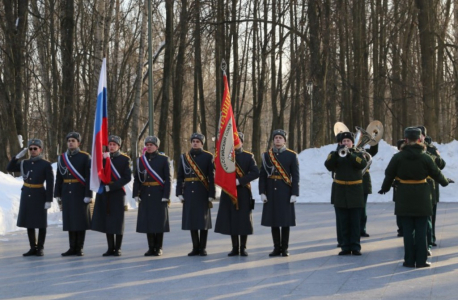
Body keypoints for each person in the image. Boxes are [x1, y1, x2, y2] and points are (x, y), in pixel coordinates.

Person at [379, 127, 451, 268]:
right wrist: (446, 181)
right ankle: (422, 260)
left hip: (404, 195)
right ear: (419, 139)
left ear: (405, 140)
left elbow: (389, 174)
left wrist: (385, 188)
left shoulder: (398, 157)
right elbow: (437, 174)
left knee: (407, 231)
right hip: (422, 196)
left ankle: (409, 260)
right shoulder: (426, 157)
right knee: (421, 230)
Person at [215, 132, 260, 256]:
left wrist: (240, 181)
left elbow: (256, 172)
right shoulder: (225, 157)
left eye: (237, 139)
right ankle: (235, 247)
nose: (235, 141)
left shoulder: (248, 156)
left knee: (243, 220)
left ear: (241, 141)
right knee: (232, 219)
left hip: (243, 191)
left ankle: (243, 247)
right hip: (228, 192)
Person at [7, 139, 54, 256]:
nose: (33, 151)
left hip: (39, 194)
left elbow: (50, 183)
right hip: (27, 194)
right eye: (31, 149)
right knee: (29, 222)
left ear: (40, 150)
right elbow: (10, 168)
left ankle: (40, 248)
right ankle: (33, 247)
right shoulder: (25, 163)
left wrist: (49, 199)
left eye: (35, 148)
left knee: (41, 223)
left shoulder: (46, 164)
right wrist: (16, 157)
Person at [325, 132, 367, 255]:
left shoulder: (358, 154)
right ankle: (345, 246)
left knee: (355, 221)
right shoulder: (334, 154)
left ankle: (355, 246)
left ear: (352, 143)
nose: (346, 143)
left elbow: (362, 164)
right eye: (344, 141)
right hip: (340, 190)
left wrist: (350, 155)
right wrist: (337, 155)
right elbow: (328, 166)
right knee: (342, 220)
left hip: (355, 191)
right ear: (340, 143)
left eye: (348, 141)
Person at [260, 129, 299, 257]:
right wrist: (262, 192)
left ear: (284, 140)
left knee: (285, 221)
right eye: (276, 137)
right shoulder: (267, 155)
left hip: (285, 191)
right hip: (271, 192)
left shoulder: (291, 155)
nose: (277, 139)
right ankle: (276, 247)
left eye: (280, 138)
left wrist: (294, 193)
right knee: (274, 221)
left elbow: (295, 176)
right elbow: (262, 176)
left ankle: (285, 248)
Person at [92, 135, 131, 256]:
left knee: (117, 221)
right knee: (107, 220)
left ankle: (118, 248)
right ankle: (110, 248)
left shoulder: (124, 159)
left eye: (114, 144)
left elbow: (127, 177)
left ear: (119, 146)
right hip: (105, 192)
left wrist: (113, 187)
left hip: (117, 192)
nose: (112, 146)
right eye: (110, 144)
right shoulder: (102, 159)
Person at [176, 133, 215, 256]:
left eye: (198, 141)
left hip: (202, 191)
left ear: (202, 144)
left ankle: (202, 248)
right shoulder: (184, 157)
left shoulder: (208, 157)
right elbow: (180, 176)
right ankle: (195, 247)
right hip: (189, 192)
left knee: (203, 221)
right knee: (192, 220)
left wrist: (211, 193)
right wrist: (179, 192)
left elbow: (211, 177)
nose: (195, 143)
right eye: (193, 141)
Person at [55, 132, 93, 256]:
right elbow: (59, 177)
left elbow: (89, 177)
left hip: (80, 192)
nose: (70, 142)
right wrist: (58, 193)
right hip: (67, 191)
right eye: (69, 140)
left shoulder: (85, 157)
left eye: (73, 140)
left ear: (78, 143)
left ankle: (79, 247)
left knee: (80, 221)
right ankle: (72, 247)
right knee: (70, 220)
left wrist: (88, 194)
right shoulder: (62, 158)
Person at [134, 136, 172, 256]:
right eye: (147, 144)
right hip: (145, 193)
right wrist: (136, 193)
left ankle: (159, 247)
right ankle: (151, 247)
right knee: (148, 221)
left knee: (159, 222)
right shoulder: (141, 160)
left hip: (158, 193)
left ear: (157, 146)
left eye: (151, 144)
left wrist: (166, 195)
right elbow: (137, 179)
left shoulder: (163, 159)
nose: (149, 146)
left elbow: (168, 179)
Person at [360, 143, 378, 238]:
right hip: (352, 181)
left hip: (364, 181)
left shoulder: (365, 152)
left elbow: (374, 151)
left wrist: (375, 140)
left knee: (363, 207)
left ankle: (362, 229)